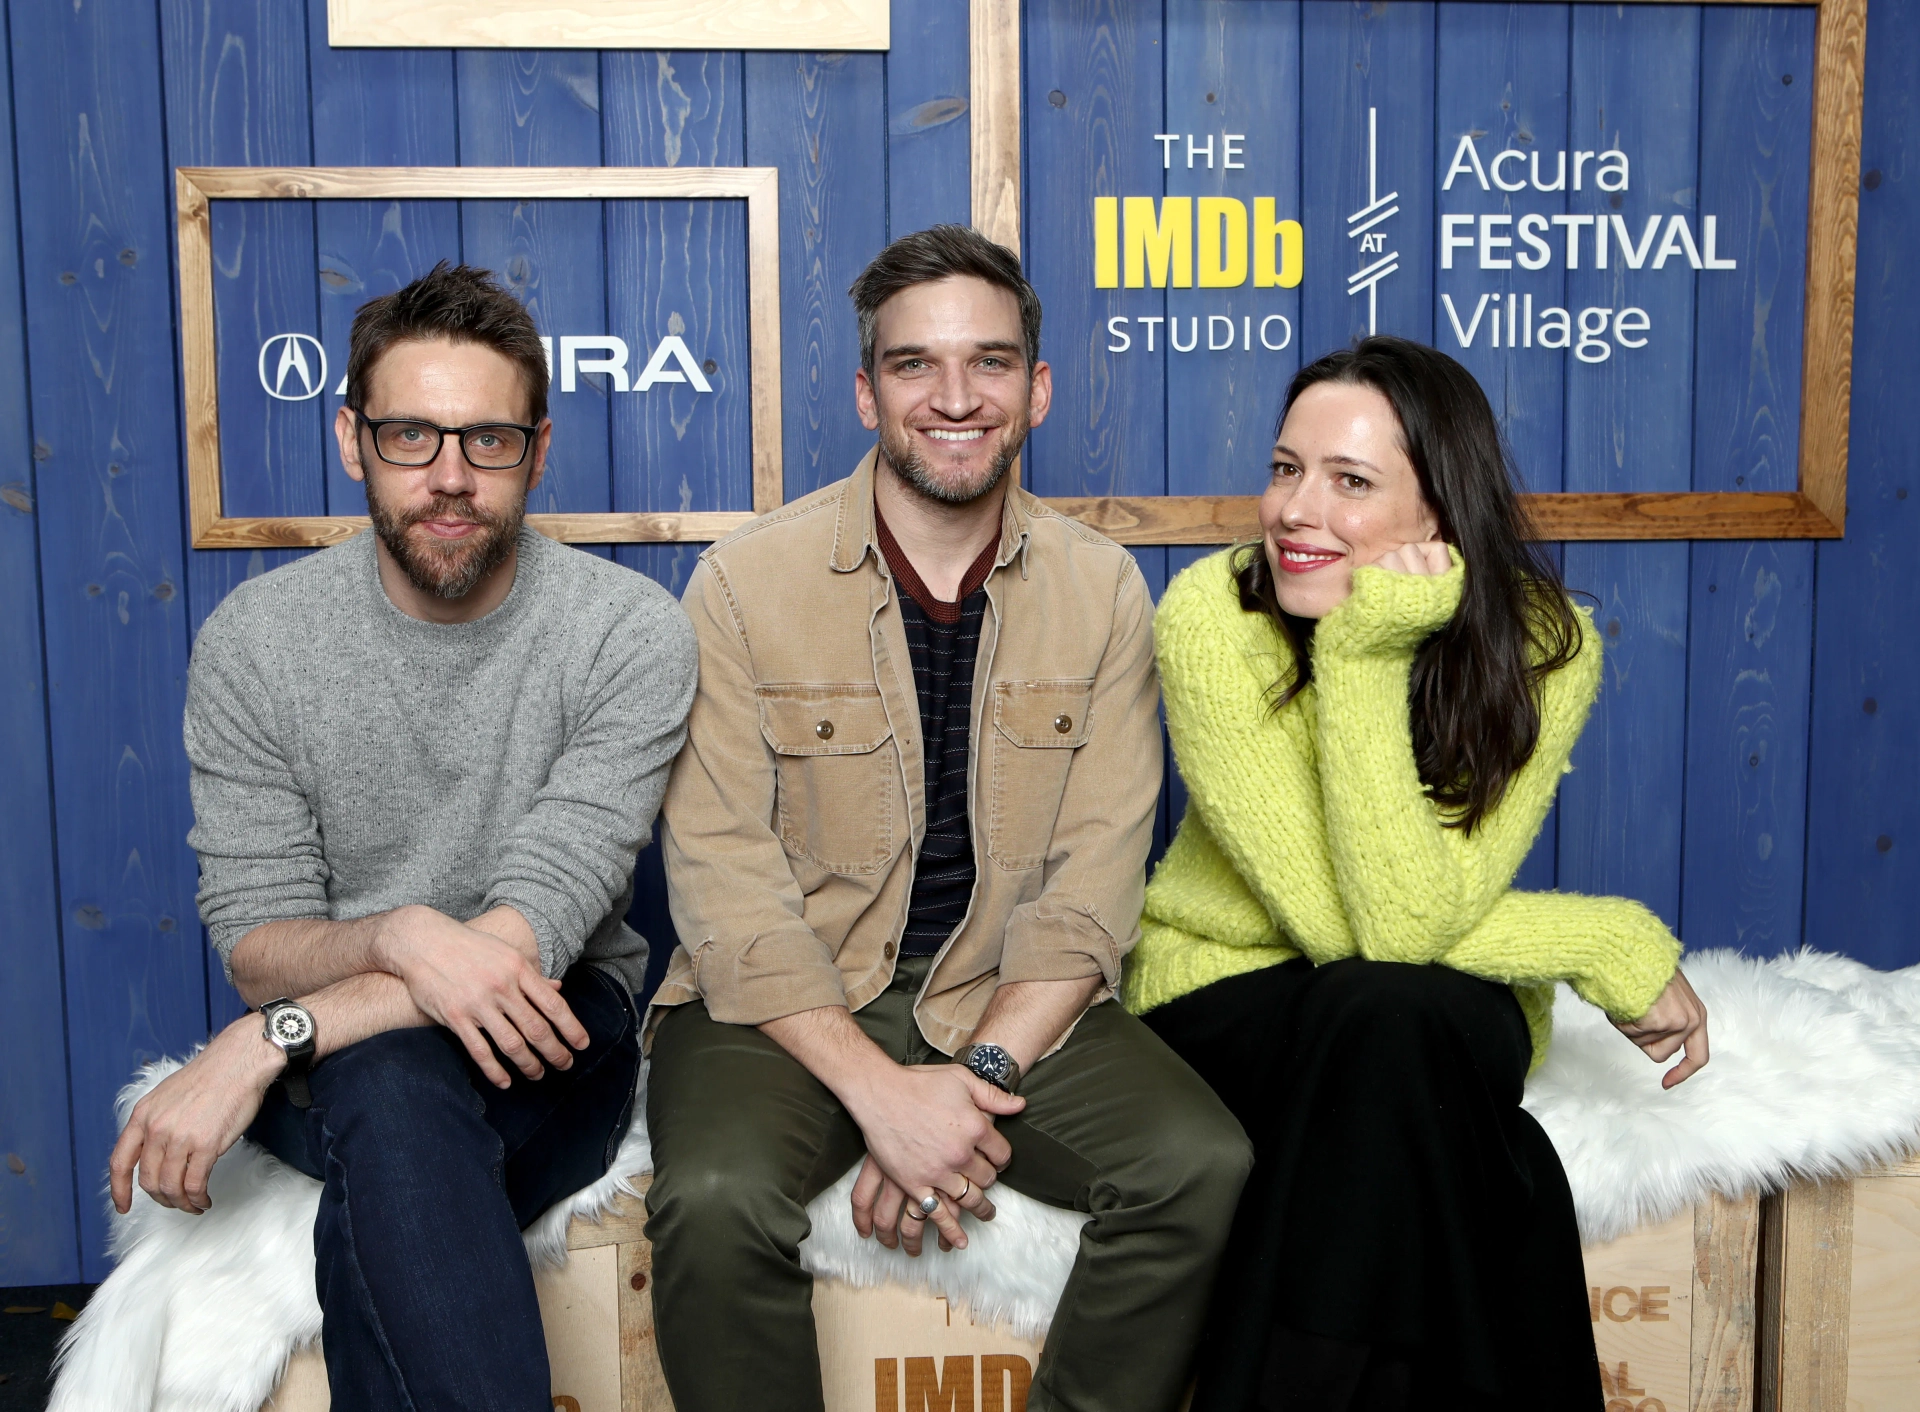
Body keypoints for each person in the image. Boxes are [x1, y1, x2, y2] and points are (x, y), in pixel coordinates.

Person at [645, 224, 1252, 1412]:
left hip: (1006, 990)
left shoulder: (1103, 589)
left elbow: (1091, 892)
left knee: (1199, 1164)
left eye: (989, 361)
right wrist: (881, 1095)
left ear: (1038, 387)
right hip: (790, 997)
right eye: (916, 364)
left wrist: (969, 1082)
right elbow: (724, 889)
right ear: (868, 393)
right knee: (712, 1198)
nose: (956, 396)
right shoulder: (740, 582)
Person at [108, 262, 697, 1412]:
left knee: (385, 1111)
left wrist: (268, 1037)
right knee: (390, 1098)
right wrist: (409, 936)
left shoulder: (628, 632)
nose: (449, 478)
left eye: (487, 441)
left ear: (538, 449)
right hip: (352, 1054)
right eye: (411, 436)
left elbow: (526, 935)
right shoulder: (258, 643)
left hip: (558, 1025)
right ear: (349, 439)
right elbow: (258, 937)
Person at [1124, 336, 1710, 1412]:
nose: (1298, 509)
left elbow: (1414, 919)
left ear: (1439, 513)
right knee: (1444, 1090)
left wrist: (1370, 649)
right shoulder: (1212, 618)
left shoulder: (1545, 643)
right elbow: (1352, 923)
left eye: (1350, 481)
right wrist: (1601, 940)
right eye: (1286, 466)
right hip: (1224, 991)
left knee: (1397, 1022)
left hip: (1418, 1000)